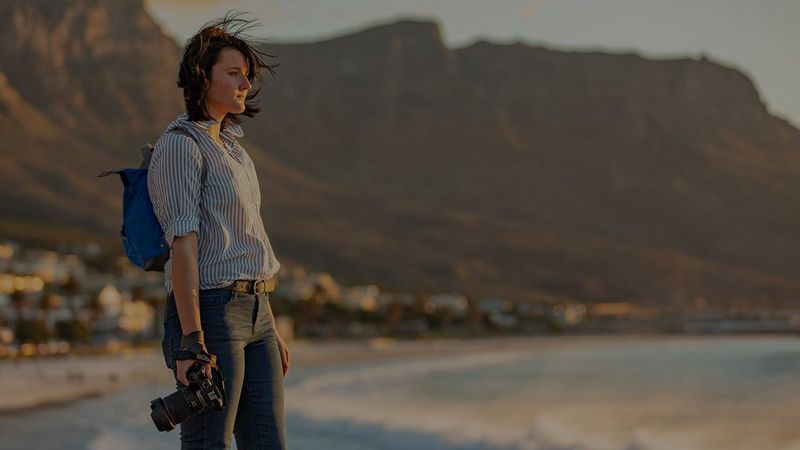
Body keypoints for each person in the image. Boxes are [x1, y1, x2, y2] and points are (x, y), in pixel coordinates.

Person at [147, 12, 289, 450]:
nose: (245, 84)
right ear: (202, 78)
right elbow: (184, 249)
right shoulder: (180, 145)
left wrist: (271, 324)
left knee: (268, 444)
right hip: (211, 311)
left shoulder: (233, 150)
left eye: (246, 76)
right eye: (233, 73)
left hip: (257, 311)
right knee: (210, 443)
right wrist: (191, 341)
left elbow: (249, 243)